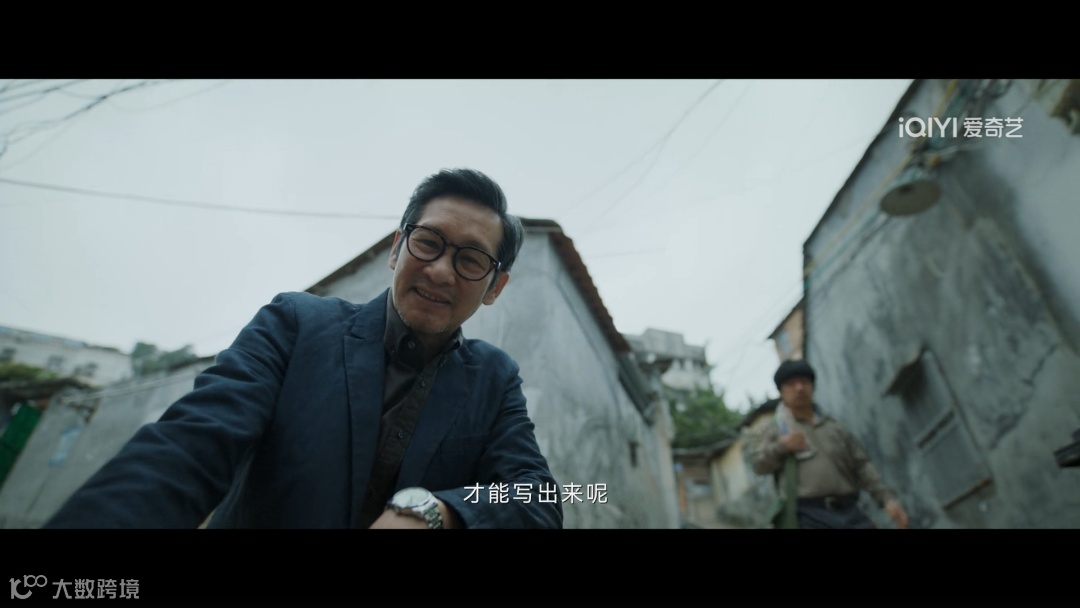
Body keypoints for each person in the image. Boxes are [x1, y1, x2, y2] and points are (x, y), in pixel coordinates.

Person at [44, 168, 563, 529]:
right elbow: (193, 441)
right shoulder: (297, 324)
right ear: (397, 248)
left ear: (495, 287)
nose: (441, 271)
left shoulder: (494, 378)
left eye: (471, 260)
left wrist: (436, 513)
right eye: (428, 242)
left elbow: (537, 498)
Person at [750, 359, 909, 529]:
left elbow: (861, 465)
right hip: (808, 515)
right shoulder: (775, 429)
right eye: (791, 384)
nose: (799, 388)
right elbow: (759, 465)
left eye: (804, 381)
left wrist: (886, 499)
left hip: (848, 510)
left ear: (812, 386)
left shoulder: (833, 426)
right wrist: (782, 447)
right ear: (781, 391)